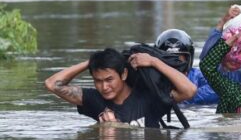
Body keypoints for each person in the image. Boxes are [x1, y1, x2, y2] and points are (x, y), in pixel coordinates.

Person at [154, 8, 241, 104]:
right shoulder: (151, 81)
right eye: (167, 60)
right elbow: (208, 63)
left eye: (178, 59)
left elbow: (207, 70)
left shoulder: (228, 81)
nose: (173, 65)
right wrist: (222, 23)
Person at [45, 48, 196, 128]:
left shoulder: (150, 97)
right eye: (98, 81)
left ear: (123, 74)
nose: (104, 87)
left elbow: (190, 90)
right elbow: (52, 84)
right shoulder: (94, 99)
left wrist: (153, 62)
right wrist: (92, 61)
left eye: (109, 79)